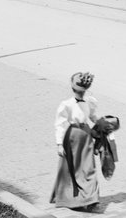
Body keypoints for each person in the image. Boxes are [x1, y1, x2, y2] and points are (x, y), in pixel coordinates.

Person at [51, 71, 102, 211]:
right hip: (72, 137)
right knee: (71, 168)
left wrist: (102, 124)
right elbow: (60, 124)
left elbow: (92, 116)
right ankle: (70, 198)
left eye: (82, 91)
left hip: (85, 136)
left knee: (88, 168)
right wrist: (60, 144)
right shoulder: (66, 104)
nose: (81, 94)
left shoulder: (90, 102)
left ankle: (92, 200)